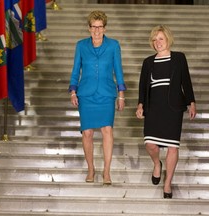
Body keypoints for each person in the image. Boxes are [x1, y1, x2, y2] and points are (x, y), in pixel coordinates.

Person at [136, 25, 196, 199]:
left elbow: (186, 80)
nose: (157, 43)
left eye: (160, 39)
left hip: (173, 108)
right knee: (150, 144)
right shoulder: (148, 62)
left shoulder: (179, 58)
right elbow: (142, 86)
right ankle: (157, 164)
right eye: (154, 40)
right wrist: (140, 105)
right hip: (153, 107)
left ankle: (168, 183)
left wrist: (191, 102)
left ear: (168, 39)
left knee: (172, 147)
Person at [69, 10, 126, 185]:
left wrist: (121, 95)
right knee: (87, 133)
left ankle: (107, 171)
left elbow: (118, 70)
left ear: (105, 28)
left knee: (107, 130)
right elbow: (75, 70)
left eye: (100, 27)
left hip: (106, 94)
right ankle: (91, 168)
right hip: (86, 94)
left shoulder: (114, 45)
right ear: (88, 28)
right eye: (93, 27)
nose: (96, 30)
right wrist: (73, 91)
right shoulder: (81, 45)